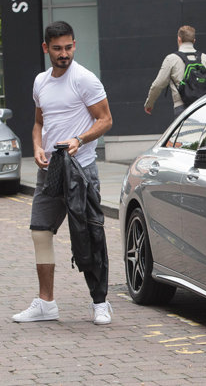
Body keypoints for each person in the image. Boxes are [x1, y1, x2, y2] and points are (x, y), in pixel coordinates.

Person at [12, 21, 114, 325]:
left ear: (74, 45)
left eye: (69, 47)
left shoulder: (84, 79)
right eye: (57, 48)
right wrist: (37, 147)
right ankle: (46, 303)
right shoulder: (40, 82)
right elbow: (39, 124)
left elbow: (106, 120)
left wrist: (79, 139)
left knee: (89, 235)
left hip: (80, 169)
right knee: (40, 232)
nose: (64, 54)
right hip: (51, 170)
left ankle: (101, 303)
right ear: (46, 49)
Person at [144, 25, 206, 117]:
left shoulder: (171, 59)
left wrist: (149, 104)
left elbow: (157, 85)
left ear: (179, 39)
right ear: (194, 41)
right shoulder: (205, 58)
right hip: (204, 108)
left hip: (182, 109)